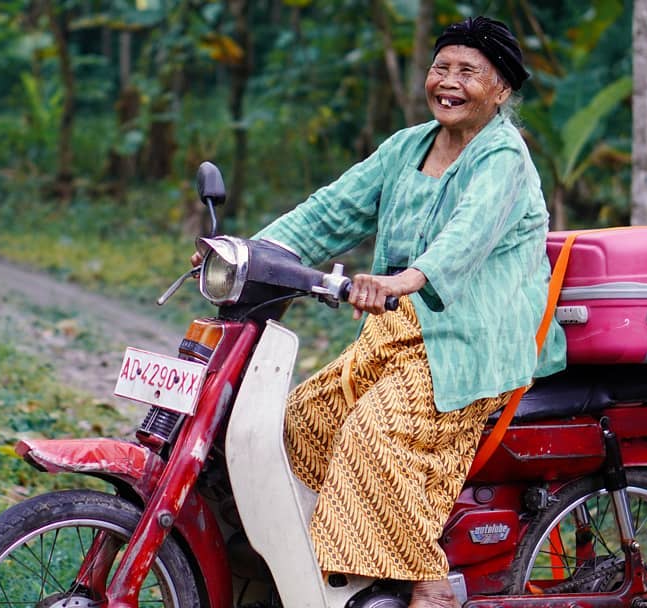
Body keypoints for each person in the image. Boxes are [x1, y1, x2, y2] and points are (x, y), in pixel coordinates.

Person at [197, 16, 566, 608]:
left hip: (475, 344)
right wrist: (248, 254)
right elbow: (329, 212)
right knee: (299, 423)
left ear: (500, 90)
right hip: (398, 334)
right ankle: (343, 570)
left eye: (468, 72)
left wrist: (406, 278)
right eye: (441, 68)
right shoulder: (408, 146)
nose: (448, 82)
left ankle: (430, 580)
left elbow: (465, 239)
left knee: (376, 434)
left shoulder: (504, 158)